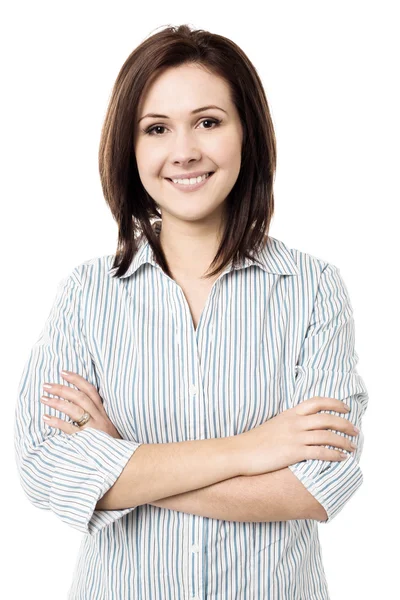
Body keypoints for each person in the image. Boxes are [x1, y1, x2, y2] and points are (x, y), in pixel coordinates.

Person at [14, 24, 369, 599]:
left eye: (208, 121)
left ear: (246, 133)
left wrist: (121, 465)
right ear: (131, 150)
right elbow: (49, 469)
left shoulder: (312, 288)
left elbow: (318, 487)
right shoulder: (87, 294)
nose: (184, 151)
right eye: (156, 129)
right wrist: (250, 450)